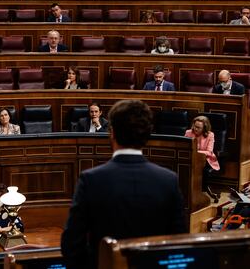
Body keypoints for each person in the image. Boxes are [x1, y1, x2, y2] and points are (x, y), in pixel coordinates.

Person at [61, 100, 186, 269]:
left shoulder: (91, 180)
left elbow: (71, 244)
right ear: (147, 134)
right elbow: (179, 243)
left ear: (111, 133)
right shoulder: (168, 180)